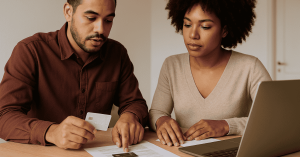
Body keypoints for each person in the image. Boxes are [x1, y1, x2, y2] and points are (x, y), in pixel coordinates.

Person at [0, 0, 148, 152]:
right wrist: (51, 132)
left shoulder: (117, 53)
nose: (101, 29)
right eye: (91, 18)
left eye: (108, 20)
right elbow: (4, 116)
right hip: (41, 152)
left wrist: (130, 116)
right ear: (68, 12)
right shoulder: (30, 51)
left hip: (98, 151)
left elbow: (135, 102)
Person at [149, 0, 272, 147]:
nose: (193, 34)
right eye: (187, 24)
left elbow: (271, 119)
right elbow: (156, 111)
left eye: (205, 26)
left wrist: (226, 126)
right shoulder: (172, 65)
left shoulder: (250, 67)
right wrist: (161, 120)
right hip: (182, 152)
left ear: (224, 30)